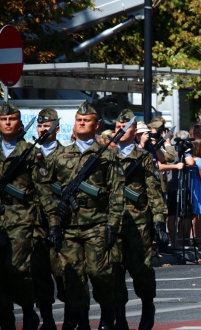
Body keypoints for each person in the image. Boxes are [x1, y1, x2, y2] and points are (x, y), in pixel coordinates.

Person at [52, 102, 125, 330]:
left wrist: (113, 223)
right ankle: (81, 320)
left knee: (99, 273)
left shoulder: (106, 155)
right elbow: (45, 186)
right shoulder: (60, 154)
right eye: (78, 120)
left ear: (97, 125)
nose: (81, 123)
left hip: (97, 224)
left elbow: (117, 191)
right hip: (69, 226)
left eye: (86, 121)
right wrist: (56, 205)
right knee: (73, 277)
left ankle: (107, 314)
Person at [0, 103, 61, 330]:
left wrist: (53, 223)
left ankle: (27, 309)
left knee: (18, 270)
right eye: (3, 120)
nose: (7, 123)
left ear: (19, 123)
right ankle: (5, 317)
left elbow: (43, 190)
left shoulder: (30, 152)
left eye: (12, 119)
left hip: (23, 221)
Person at [111, 110, 168, 330]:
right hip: (112, 222)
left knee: (141, 270)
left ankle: (147, 306)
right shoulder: (106, 154)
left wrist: (159, 221)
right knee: (114, 271)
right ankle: (120, 317)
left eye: (123, 128)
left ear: (133, 131)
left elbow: (153, 191)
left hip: (138, 223)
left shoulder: (142, 156)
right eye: (116, 127)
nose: (119, 131)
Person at [30, 109, 67, 330]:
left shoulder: (66, 155)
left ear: (56, 129)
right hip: (35, 223)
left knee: (62, 273)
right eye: (40, 126)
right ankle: (48, 319)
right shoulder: (29, 155)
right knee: (39, 273)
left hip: (61, 223)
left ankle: (71, 309)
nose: (43, 129)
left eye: (48, 126)